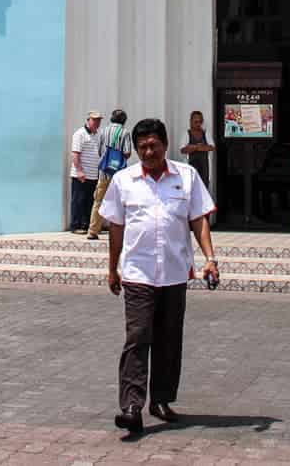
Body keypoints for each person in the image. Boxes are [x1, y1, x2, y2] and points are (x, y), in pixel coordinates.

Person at [100, 118, 217, 433]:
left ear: (165, 145)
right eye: (142, 148)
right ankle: (131, 406)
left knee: (169, 340)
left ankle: (162, 400)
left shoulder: (187, 176)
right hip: (138, 274)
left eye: (153, 145)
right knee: (137, 338)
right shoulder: (123, 181)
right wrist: (112, 269)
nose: (148, 152)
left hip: (175, 273)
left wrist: (210, 258)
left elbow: (198, 220)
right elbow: (115, 228)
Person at [88, 109, 132, 239]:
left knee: (98, 201)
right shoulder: (125, 132)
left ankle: (93, 230)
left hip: (104, 172)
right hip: (119, 174)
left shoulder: (103, 131)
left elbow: (99, 151)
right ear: (124, 120)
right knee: (120, 202)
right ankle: (118, 230)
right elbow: (127, 152)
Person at [69, 111, 103, 233]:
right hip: (82, 174)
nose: (97, 122)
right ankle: (75, 225)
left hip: (93, 174)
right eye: (94, 120)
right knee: (78, 200)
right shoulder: (80, 134)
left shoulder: (97, 135)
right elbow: (75, 153)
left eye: (99, 120)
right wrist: (79, 171)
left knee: (89, 200)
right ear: (88, 120)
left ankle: (85, 224)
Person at [180, 111, 214, 189]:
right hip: (190, 166)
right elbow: (183, 150)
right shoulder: (186, 133)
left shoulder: (206, 133)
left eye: (200, 122)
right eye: (196, 122)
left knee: (204, 188)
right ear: (191, 121)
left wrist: (193, 147)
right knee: (191, 187)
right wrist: (198, 147)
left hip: (204, 167)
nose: (198, 124)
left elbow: (211, 147)